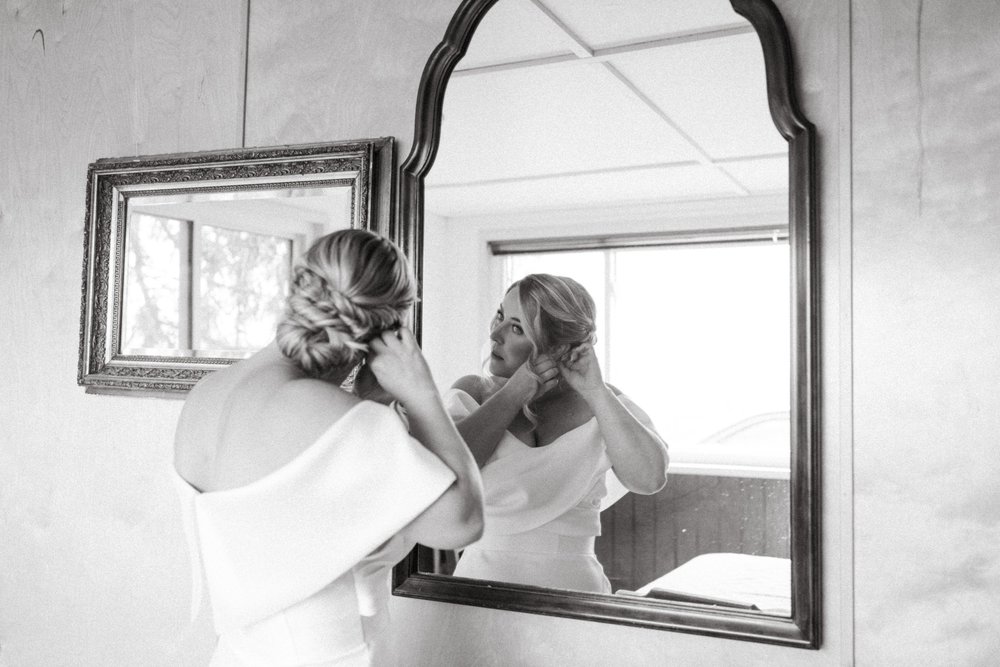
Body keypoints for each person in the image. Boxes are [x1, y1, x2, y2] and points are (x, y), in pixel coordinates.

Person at [172, 229, 484, 666]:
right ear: (383, 330)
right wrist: (422, 395)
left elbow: (293, 524)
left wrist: (366, 403)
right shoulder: (341, 420)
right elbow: (463, 523)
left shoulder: (205, 395)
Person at [445, 273, 667, 593]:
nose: (495, 334)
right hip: (478, 588)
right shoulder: (473, 393)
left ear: (557, 348)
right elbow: (446, 473)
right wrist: (512, 396)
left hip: (574, 590)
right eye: (499, 317)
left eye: (516, 328)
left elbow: (649, 479)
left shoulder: (603, 403)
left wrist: (596, 392)